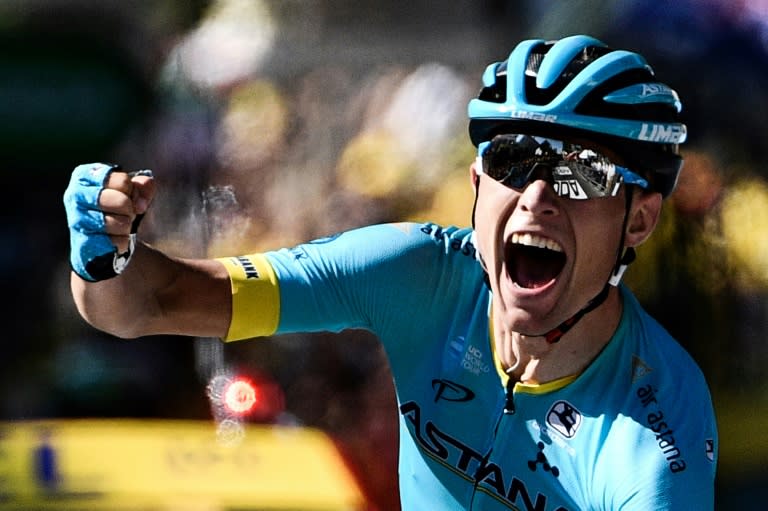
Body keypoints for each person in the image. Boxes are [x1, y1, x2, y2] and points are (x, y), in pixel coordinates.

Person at [64, 34, 718, 510]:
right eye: (515, 161)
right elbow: (147, 304)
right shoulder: (415, 274)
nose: (537, 196)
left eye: (582, 173)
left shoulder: (653, 437)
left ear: (638, 221)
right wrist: (104, 255)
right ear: (477, 183)